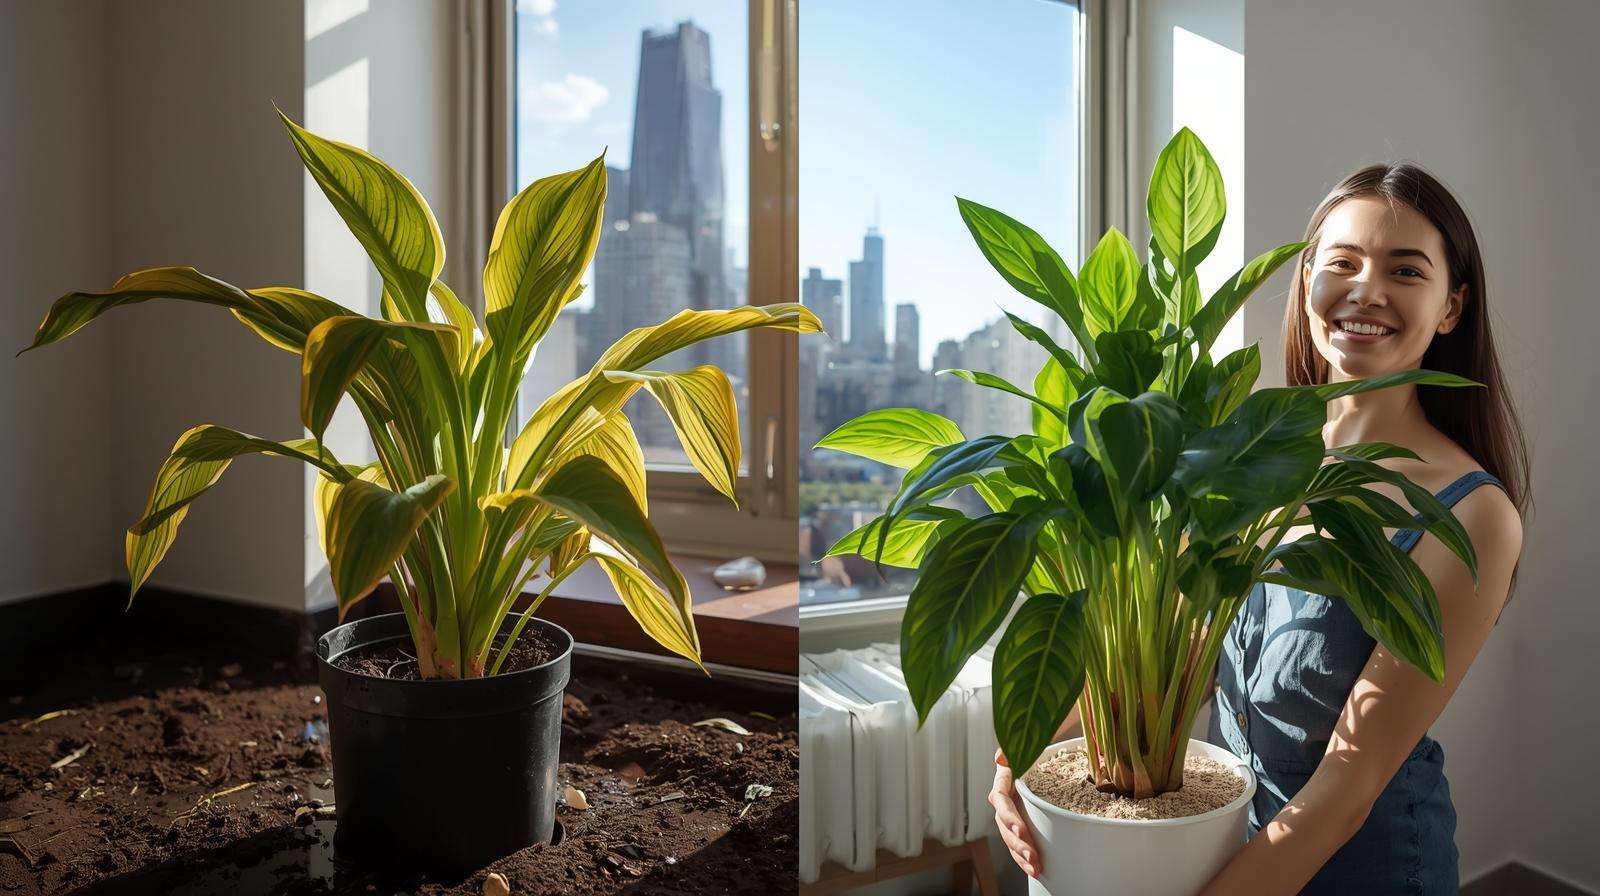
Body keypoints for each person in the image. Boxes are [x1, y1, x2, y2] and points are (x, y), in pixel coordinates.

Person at [987, 162, 1530, 895]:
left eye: (1405, 270)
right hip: (1224, 846)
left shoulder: (1472, 513)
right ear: (1307, 281)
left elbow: (1350, 783)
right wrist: (1020, 760)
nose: (1367, 290)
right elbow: (1162, 657)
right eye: (1343, 263)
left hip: (1363, 869)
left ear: (1451, 308)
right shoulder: (1243, 453)